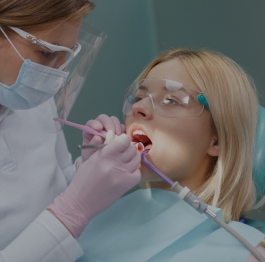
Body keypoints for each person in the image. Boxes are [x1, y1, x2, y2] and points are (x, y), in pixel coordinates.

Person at [0, 0, 141, 261]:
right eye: (46, 53)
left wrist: (85, 174)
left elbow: (50, 199)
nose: (56, 77)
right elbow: (64, 214)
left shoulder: (23, 94)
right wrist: (73, 210)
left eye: (65, 56)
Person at [75, 49, 265, 262]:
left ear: (218, 140)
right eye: (138, 97)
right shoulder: (94, 214)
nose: (139, 107)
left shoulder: (246, 254)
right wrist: (82, 188)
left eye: (171, 100)